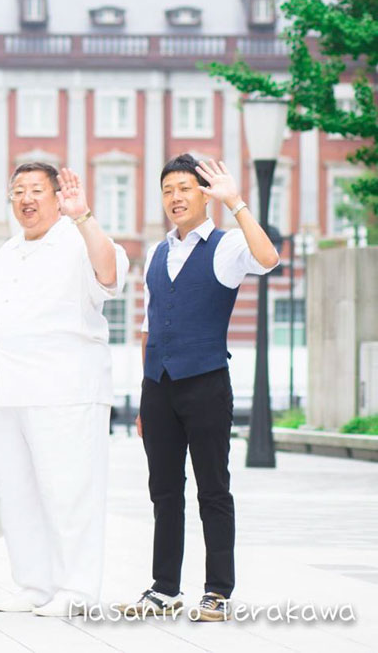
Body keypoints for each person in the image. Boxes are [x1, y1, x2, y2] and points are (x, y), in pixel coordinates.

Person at [116, 156, 277, 624]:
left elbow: (269, 259)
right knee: (164, 491)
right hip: (159, 386)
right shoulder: (156, 252)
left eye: (185, 188)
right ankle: (164, 588)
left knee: (213, 489)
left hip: (206, 382)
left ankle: (218, 591)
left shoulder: (227, 246)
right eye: (167, 189)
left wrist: (238, 203)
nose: (175, 198)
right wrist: (146, 393)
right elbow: (149, 323)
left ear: (205, 194)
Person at [0, 162, 128, 617]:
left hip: (63, 388)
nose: (26, 199)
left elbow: (110, 275)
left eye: (37, 190)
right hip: (4, 392)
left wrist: (84, 217)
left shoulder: (78, 240)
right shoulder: (5, 254)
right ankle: (35, 582)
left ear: (57, 196)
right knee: (14, 490)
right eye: (17, 190)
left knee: (68, 490)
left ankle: (77, 588)